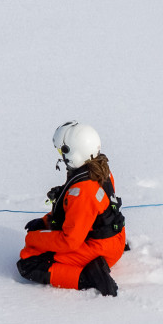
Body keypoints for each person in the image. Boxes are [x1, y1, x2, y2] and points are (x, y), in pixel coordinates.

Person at [17, 122, 126, 297]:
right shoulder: (100, 168)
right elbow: (85, 211)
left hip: (102, 249)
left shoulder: (82, 191)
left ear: (73, 153)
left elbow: (70, 241)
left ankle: (90, 277)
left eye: (62, 151)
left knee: (29, 261)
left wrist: (34, 238)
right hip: (115, 239)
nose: (60, 156)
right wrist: (46, 221)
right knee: (38, 242)